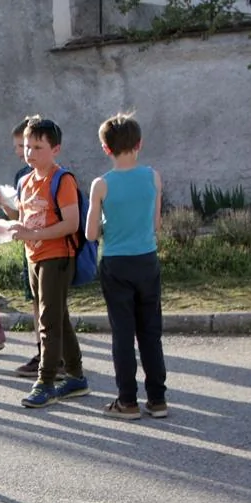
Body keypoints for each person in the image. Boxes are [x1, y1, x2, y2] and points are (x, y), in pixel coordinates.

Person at [85, 113, 168, 419]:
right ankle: (157, 398)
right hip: (147, 258)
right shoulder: (152, 177)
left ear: (106, 148)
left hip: (116, 262)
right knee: (150, 331)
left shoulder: (101, 185)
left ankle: (127, 400)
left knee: (123, 333)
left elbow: (91, 233)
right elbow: (156, 223)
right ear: (139, 144)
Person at [8, 117, 89, 409]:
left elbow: (71, 223)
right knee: (57, 317)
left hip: (57, 257)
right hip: (34, 256)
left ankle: (45, 381)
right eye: (27, 146)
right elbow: (24, 218)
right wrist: (6, 224)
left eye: (37, 147)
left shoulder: (62, 179)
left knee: (48, 321)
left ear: (55, 149)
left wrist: (33, 233)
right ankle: (77, 376)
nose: (30, 153)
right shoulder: (25, 181)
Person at [0, 121, 40, 378]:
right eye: (19, 146)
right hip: (30, 246)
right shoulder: (21, 175)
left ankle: (52, 356)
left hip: (45, 247)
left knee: (48, 304)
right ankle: (44, 350)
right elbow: (19, 216)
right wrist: (3, 204)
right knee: (36, 302)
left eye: (22, 145)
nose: (20, 151)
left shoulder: (50, 173)